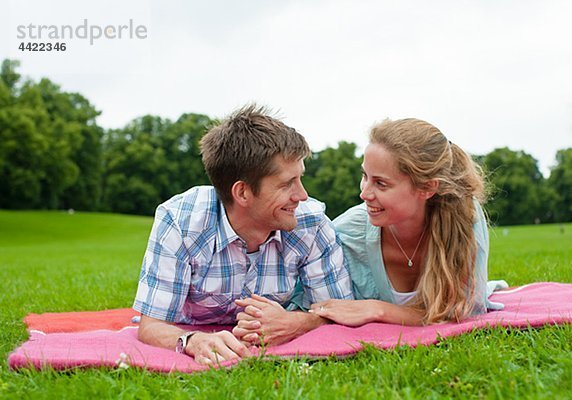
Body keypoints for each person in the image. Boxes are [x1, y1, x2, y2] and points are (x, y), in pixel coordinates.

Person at [133, 105, 353, 365]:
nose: (302, 195)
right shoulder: (181, 221)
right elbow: (151, 325)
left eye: (300, 179)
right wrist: (193, 340)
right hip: (192, 325)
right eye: (286, 184)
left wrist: (297, 322)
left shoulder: (311, 222)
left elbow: (338, 312)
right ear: (243, 193)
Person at [307, 118, 504, 326]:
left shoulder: (462, 215)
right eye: (365, 176)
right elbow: (317, 308)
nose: (364, 193)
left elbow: (464, 312)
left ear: (427, 188)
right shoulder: (346, 233)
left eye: (381, 183)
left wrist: (378, 309)